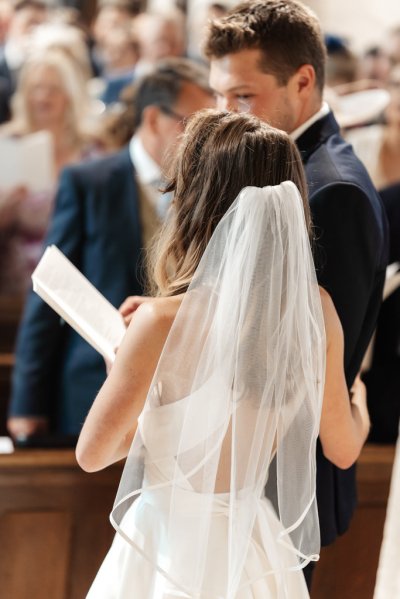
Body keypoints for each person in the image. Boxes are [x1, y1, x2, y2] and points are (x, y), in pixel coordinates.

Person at [76, 109, 370, 598]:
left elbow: (94, 453)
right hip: (255, 547)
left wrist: (120, 368)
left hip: (167, 546)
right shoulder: (314, 310)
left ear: (199, 202)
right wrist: (358, 402)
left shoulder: (158, 324)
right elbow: (342, 447)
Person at [200, 0, 388, 586]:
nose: (224, 114)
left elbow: (306, 370)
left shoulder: (332, 192)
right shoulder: (279, 165)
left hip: (281, 489)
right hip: (243, 477)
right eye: (218, 96)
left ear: (302, 81)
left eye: (242, 97)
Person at [7, 58, 214, 439]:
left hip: (181, 394)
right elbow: (53, 289)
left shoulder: (208, 188)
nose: (204, 141)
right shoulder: (90, 182)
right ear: (154, 119)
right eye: (195, 125)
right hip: (94, 384)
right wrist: (27, 403)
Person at [0, 48, 94, 295]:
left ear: (69, 95)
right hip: (15, 280)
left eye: (52, 89)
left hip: (77, 274)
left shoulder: (91, 151)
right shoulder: (8, 143)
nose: (42, 97)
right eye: (35, 88)